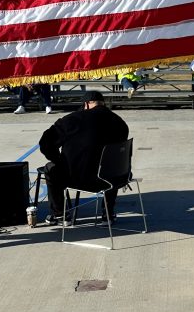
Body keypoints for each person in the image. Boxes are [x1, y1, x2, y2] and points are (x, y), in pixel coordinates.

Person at [39, 90, 129, 224]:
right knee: (112, 165)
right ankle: (108, 213)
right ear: (103, 104)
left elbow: (45, 143)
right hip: (112, 179)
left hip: (77, 178)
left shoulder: (72, 119)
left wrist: (59, 160)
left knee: (50, 168)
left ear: (86, 104)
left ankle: (60, 214)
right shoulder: (120, 123)